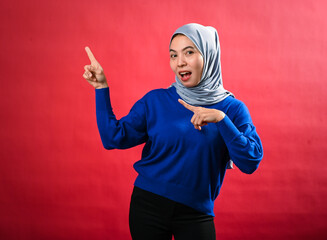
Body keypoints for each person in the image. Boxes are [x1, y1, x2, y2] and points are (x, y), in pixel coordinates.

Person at [83, 23, 263, 240]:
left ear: (209, 54)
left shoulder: (232, 109)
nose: (180, 62)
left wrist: (221, 119)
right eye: (173, 55)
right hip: (148, 207)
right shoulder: (156, 100)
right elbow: (113, 137)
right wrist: (101, 88)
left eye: (189, 52)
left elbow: (250, 162)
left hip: (196, 213)